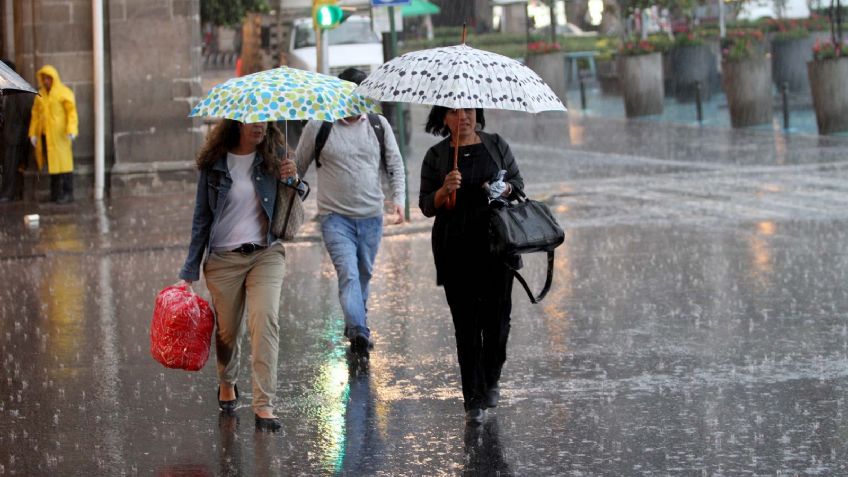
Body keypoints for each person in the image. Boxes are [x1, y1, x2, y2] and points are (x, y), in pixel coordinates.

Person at [178, 119, 303, 432]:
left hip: (266, 253)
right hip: (223, 260)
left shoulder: (275, 154)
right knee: (228, 332)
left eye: (264, 120)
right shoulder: (215, 163)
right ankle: (227, 380)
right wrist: (189, 270)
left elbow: (297, 198)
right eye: (251, 121)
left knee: (265, 320)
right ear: (235, 124)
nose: (259, 126)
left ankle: (264, 405)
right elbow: (200, 219)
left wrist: (292, 180)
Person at [418, 107, 524, 426]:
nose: (464, 116)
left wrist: (504, 188)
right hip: (455, 249)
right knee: (466, 326)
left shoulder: (496, 144)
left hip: (496, 245)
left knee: (497, 323)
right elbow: (425, 205)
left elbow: (517, 183)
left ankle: (490, 379)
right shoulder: (436, 156)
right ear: (444, 119)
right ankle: (473, 400)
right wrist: (443, 191)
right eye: (454, 111)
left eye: (470, 109)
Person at [293, 67, 406, 355]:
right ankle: (359, 330)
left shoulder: (378, 125)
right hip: (335, 218)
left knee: (364, 274)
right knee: (349, 274)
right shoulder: (319, 126)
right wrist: (288, 187)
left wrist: (399, 200)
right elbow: (298, 167)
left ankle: (356, 322)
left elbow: (395, 164)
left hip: (371, 216)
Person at [28, 64, 78, 203]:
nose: (46, 82)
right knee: (53, 166)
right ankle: (56, 194)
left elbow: (71, 113)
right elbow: (36, 115)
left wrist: (71, 129)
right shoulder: (40, 95)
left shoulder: (63, 93)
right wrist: (33, 133)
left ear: (53, 79)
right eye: (44, 79)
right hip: (47, 136)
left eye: (48, 79)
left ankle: (68, 193)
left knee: (65, 165)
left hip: (61, 135)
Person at [0, 60, 33, 202]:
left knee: (10, 166)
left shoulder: (19, 92)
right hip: (6, 135)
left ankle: (9, 194)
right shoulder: (5, 90)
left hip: (14, 136)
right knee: (7, 165)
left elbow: (26, 114)